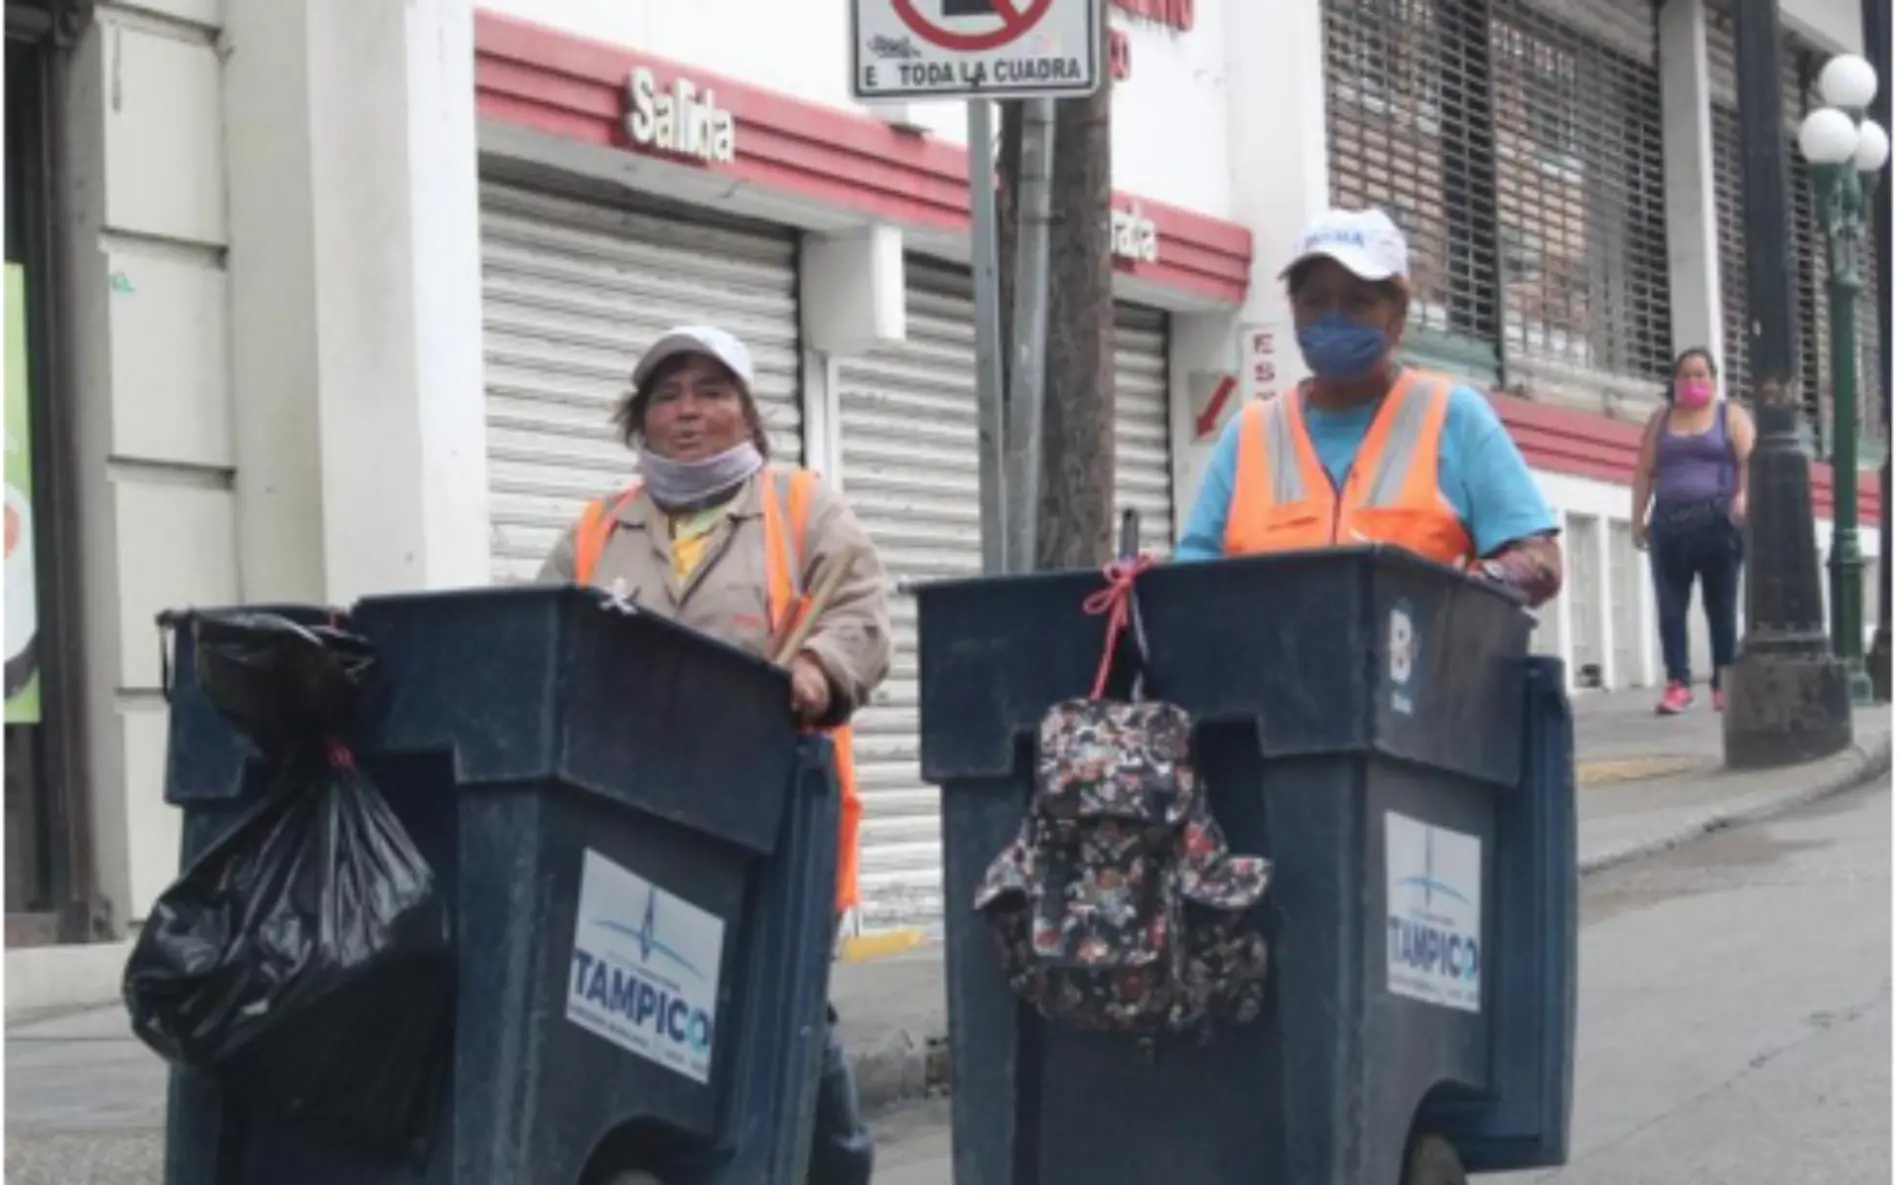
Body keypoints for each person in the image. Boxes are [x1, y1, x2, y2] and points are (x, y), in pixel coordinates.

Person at [538, 325, 889, 1185]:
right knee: (650, 1014)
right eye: (667, 395)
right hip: (627, 826)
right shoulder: (598, 529)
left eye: (711, 391)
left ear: (747, 411)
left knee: (787, 1016)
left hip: (768, 823)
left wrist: (817, 668)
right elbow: (538, 638)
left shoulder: (802, 507)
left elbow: (861, 616)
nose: (688, 412)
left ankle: (834, 1172)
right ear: (640, 419)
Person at [1176, 208, 1564, 608]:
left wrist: (1481, 582)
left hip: (1420, 666)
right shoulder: (1250, 435)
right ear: (1294, 311)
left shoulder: (1453, 416)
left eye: (1357, 302)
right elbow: (1189, 583)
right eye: (1315, 302)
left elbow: (1539, 559)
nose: (1333, 319)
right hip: (1275, 667)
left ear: (1397, 318)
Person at [1631, 347, 1754, 714]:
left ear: (1714, 379)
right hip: (1669, 524)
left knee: (1721, 606)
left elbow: (1749, 461)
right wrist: (1638, 518)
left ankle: (1723, 682)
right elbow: (1644, 472)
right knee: (1670, 607)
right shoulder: (1661, 420)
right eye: (1685, 375)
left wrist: (1743, 498)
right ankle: (1678, 683)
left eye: (1701, 374)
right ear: (1674, 381)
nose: (1693, 382)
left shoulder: (1729, 415)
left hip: (1717, 523)